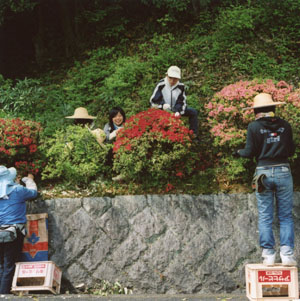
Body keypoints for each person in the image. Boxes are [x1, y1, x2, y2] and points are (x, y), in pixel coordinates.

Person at [234, 93, 296, 266]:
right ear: (273, 108)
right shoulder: (285, 125)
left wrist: (237, 152)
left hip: (263, 174)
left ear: (256, 110)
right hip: (284, 170)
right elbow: (291, 151)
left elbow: (249, 152)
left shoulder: (254, 126)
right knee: (285, 216)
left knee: (265, 216)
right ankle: (287, 255)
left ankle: (268, 255)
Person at [0, 166, 37, 294]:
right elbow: (33, 192)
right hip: (13, 233)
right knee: (9, 265)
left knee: (1, 265)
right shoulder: (18, 190)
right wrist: (29, 179)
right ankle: (4, 294)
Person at [150, 66, 199, 139]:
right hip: (163, 110)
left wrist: (178, 111)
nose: (172, 81)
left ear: (178, 79)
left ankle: (193, 134)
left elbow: (182, 101)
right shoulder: (161, 85)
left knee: (193, 112)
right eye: (170, 78)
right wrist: (162, 105)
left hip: (175, 110)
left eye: (175, 79)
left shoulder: (181, 86)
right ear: (166, 76)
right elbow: (153, 101)